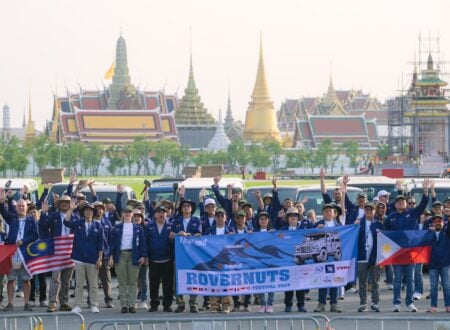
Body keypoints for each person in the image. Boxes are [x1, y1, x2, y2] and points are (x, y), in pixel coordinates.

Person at [384, 178, 431, 312]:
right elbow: (386, 233)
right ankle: (396, 303)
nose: (401, 203)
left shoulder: (412, 213)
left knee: (410, 279)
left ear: (405, 204)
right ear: (396, 204)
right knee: (397, 279)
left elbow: (423, 204)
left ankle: (409, 303)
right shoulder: (391, 217)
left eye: (403, 202)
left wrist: (425, 191)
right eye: (398, 202)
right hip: (397, 253)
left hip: (411, 252)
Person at [0, 191, 38, 312]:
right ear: (16, 208)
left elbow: (35, 235)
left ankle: (26, 303)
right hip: (12, 253)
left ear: (26, 208)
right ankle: (10, 303)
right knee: (11, 279)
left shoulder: (32, 220)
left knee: (26, 279)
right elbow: (2, 211)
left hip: (25, 253)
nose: (21, 207)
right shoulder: (12, 219)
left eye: (23, 206)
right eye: (19, 206)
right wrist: (1, 200)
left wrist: (24, 240)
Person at [63, 203, 104, 313]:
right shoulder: (78, 223)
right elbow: (66, 222)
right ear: (83, 212)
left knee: (93, 284)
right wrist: (71, 209)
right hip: (79, 258)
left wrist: (99, 258)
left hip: (93, 258)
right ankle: (77, 305)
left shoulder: (98, 225)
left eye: (90, 210)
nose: (88, 212)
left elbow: (101, 243)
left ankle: (94, 304)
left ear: (93, 212)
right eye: (86, 210)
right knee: (79, 284)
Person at [39, 194, 75, 312]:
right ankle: (52, 302)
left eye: (67, 202)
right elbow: (43, 227)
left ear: (70, 204)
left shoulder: (75, 216)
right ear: (59, 204)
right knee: (55, 278)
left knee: (67, 279)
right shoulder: (54, 216)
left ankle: (64, 302)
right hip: (57, 252)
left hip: (70, 252)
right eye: (62, 202)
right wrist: (44, 214)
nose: (64, 204)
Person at [109, 205, 147, 313]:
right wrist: (110, 256)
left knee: (133, 281)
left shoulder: (138, 228)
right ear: (122, 214)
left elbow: (143, 243)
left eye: (129, 212)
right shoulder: (117, 227)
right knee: (122, 281)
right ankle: (124, 305)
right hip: (120, 254)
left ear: (132, 214)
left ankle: (132, 304)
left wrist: (143, 256)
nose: (127, 214)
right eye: (125, 212)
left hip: (134, 255)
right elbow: (112, 243)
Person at [171, 199, 202, 313]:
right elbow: (170, 235)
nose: (186, 207)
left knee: (193, 278)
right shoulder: (176, 221)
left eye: (188, 206)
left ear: (192, 208)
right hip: (179, 255)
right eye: (184, 206)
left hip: (192, 255)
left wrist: (191, 235)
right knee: (179, 279)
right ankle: (180, 303)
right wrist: (178, 234)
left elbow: (200, 234)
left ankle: (193, 303)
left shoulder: (196, 220)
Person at [354, 202, 383, 312]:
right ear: (364, 211)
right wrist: (354, 225)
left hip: (375, 257)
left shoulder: (379, 224)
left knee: (375, 281)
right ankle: (363, 303)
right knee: (362, 281)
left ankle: (375, 302)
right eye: (367, 210)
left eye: (371, 210)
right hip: (362, 256)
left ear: (374, 211)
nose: (369, 212)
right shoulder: (359, 223)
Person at [204, 208, 235, 313]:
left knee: (226, 283)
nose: (220, 218)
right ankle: (214, 305)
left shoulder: (231, 230)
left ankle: (226, 306)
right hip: (213, 260)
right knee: (214, 282)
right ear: (215, 218)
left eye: (222, 216)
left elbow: (236, 245)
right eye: (218, 216)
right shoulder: (209, 230)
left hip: (226, 261)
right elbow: (203, 243)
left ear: (226, 218)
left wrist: (233, 237)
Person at [313, 204, 343, 313]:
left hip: (335, 258)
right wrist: (316, 230)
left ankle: (334, 304)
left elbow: (345, 236)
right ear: (323, 213)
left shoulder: (339, 225)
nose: (328, 213)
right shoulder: (318, 224)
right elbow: (311, 236)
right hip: (322, 259)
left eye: (330, 211)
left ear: (334, 213)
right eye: (325, 211)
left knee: (334, 281)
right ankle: (321, 303)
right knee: (323, 281)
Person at [145, 206, 174, 312]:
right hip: (153, 260)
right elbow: (145, 242)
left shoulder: (171, 226)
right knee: (153, 283)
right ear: (155, 214)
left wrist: (173, 238)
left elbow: (175, 243)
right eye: (159, 212)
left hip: (167, 259)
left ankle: (167, 304)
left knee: (168, 284)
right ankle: (154, 304)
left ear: (167, 214)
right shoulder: (149, 226)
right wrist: (145, 255)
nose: (162, 214)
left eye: (164, 212)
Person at [281, 208, 309, 312]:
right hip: (287, 260)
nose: (293, 217)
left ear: (298, 218)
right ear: (287, 218)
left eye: (295, 215)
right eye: (291, 215)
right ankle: (288, 304)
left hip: (300, 260)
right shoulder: (282, 230)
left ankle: (301, 304)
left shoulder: (303, 229)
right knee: (288, 283)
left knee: (300, 283)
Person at [426, 215, 450, 312]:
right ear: (433, 223)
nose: (438, 223)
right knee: (433, 287)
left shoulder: (447, 233)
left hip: (445, 264)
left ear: (443, 223)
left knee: (447, 285)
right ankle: (433, 306)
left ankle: (448, 306)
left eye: (439, 221)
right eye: (435, 221)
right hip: (433, 264)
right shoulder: (428, 234)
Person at [92, 201, 114, 308]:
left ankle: (108, 299)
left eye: (100, 208)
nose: (98, 210)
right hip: (91, 255)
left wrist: (111, 256)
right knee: (92, 280)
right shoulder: (89, 222)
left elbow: (111, 240)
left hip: (104, 255)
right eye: (96, 208)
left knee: (106, 279)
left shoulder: (107, 223)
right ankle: (91, 300)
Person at [27, 203, 48, 307]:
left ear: (38, 214)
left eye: (34, 212)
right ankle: (31, 299)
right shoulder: (28, 225)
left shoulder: (42, 223)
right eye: (30, 213)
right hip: (31, 253)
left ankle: (43, 299)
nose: (32, 214)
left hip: (42, 252)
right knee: (31, 277)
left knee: (42, 277)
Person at [254, 211, 275, 313]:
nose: (263, 221)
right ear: (258, 221)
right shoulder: (254, 233)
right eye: (261, 219)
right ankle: (263, 304)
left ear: (268, 220)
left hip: (270, 261)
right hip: (259, 261)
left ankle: (270, 304)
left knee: (271, 282)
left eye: (265, 219)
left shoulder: (273, 232)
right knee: (260, 282)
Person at [132, 209, 149, 310]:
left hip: (143, 257)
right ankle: (133, 300)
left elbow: (147, 243)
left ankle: (143, 300)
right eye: (135, 216)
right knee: (132, 280)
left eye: (139, 216)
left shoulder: (146, 228)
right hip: (132, 257)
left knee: (143, 280)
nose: (137, 218)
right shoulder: (128, 228)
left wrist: (146, 256)